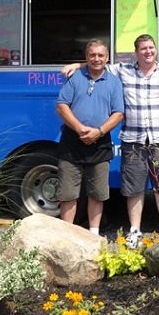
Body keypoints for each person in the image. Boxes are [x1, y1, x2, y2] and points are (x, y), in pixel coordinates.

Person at [62, 35, 159, 247]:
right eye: (143, 49)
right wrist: (77, 65)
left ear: (156, 50)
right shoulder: (123, 70)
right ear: (136, 53)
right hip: (133, 139)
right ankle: (135, 230)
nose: (148, 52)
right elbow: (98, 62)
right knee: (134, 188)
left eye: (151, 48)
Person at [55, 39, 124, 234]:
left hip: (100, 142)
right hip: (72, 141)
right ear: (86, 57)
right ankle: (67, 234)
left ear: (107, 58)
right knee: (68, 193)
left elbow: (118, 113)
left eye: (101, 55)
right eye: (92, 55)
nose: (96, 59)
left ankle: (94, 233)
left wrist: (99, 131)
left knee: (98, 193)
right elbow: (61, 106)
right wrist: (79, 129)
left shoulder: (114, 82)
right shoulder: (75, 77)